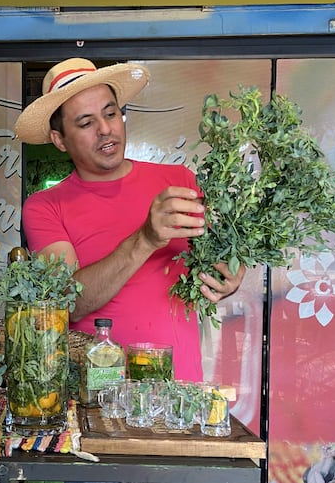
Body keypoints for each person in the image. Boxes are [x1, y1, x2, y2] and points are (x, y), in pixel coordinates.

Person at [13, 58, 246, 382]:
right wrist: (145, 239)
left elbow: (223, 253)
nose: (105, 129)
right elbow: (66, 303)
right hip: (95, 393)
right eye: (85, 123)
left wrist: (232, 276)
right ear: (59, 139)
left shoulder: (178, 181)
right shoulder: (45, 207)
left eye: (110, 113)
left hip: (179, 390)